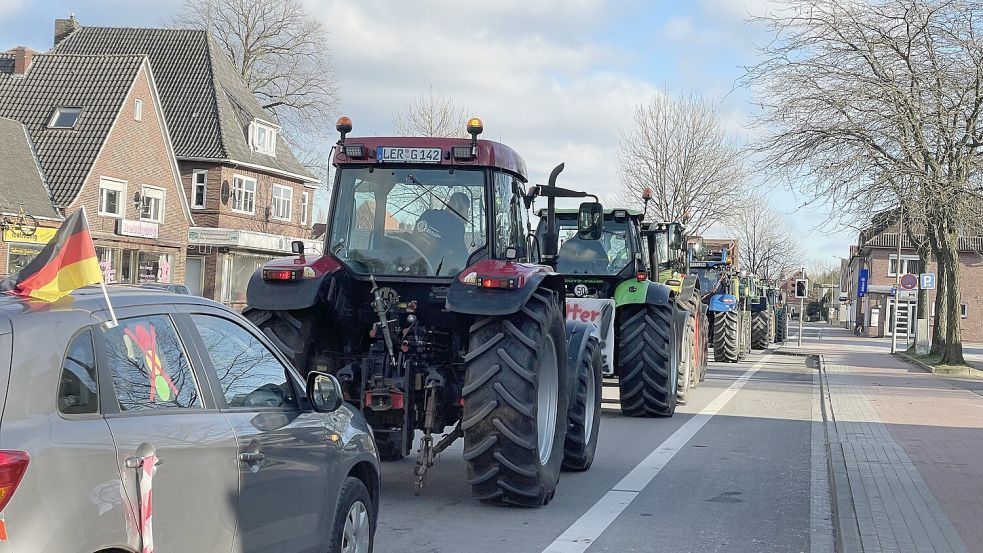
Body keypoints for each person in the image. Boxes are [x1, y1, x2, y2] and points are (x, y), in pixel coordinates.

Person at [415, 192, 471, 273]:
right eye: (465, 210)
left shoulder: (427, 215)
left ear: (448, 204)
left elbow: (413, 239)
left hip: (412, 270)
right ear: (463, 209)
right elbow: (461, 259)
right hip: (438, 277)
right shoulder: (457, 226)